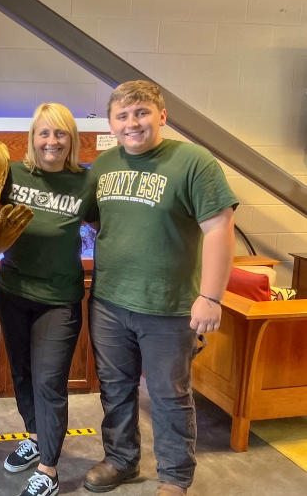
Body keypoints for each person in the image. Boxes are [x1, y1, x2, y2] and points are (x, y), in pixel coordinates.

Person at [83, 81, 237, 496]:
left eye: (141, 113)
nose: (132, 123)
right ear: (112, 123)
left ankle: (174, 477)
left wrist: (210, 297)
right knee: (115, 389)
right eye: (123, 116)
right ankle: (121, 460)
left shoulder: (193, 161)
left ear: (161, 116)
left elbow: (220, 228)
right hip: (109, 301)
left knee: (170, 396)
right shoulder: (103, 165)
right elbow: (96, 220)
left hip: (169, 307)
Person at [0, 103, 98, 496]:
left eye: (60, 133)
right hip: (13, 291)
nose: (52, 141)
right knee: (22, 374)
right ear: (33, 138)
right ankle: (35, 437)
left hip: (59, 299)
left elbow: (105, 229)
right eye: (44, 133)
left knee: (49, 382)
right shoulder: (12, 174)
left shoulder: (86, 182)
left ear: (72, 140)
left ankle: (48, 471)